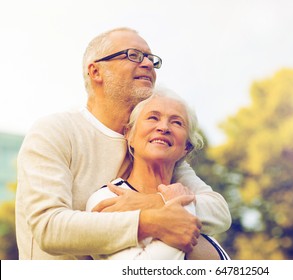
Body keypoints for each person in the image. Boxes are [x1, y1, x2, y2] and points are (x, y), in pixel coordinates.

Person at [15, 27, 231, 260]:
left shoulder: (150, 145)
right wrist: (149, 221)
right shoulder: (55, 131)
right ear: (96, 71)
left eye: (151, 58)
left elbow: (217, 210)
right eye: (133, 55)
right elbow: (49, 228)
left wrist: (154, 202)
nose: (148, 64)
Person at [86, 88, 230, 260]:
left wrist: (169, 203)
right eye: (153, 117)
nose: (163, 127)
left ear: (186, 147)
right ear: (129, 134)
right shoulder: (109, 198)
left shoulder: (188, 196)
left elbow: (221, 214)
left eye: (177, 122)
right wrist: (180, 212)